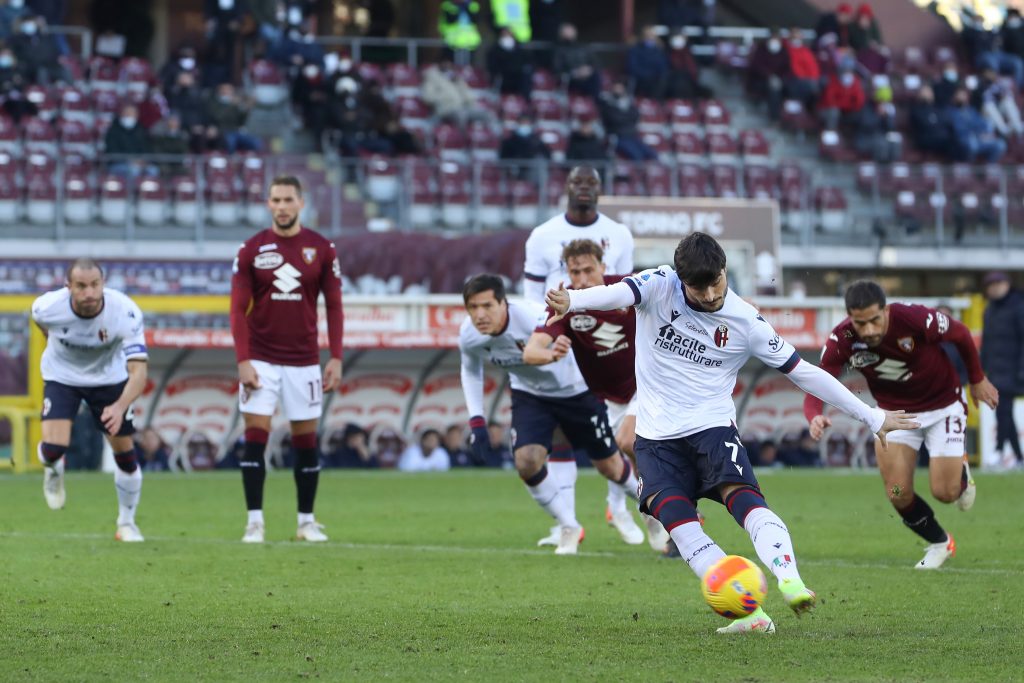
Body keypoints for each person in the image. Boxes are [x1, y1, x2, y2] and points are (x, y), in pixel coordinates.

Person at [545, 233, 919, 633]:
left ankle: (789, 578)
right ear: (680, 279)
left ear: (725, 270)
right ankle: (750, 615)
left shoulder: (746, 320)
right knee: (676, 520)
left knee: (742, 501)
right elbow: (616, 293)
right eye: (698, 287)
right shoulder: (658, 285)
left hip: (711, 428)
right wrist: (574, 301)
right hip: (654, 438)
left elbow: (804, 372)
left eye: (715, 283)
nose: (709, 295)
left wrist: (872, 417)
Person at [804, 280, 998, 569]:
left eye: (874, 320)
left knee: (945, 493)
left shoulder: (914, 318)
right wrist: (814, 414)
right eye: (860, 323)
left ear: (886, 311)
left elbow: (960, 334)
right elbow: (819, 380)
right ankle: (940, 542)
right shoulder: (842, 337)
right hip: (893, 417)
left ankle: (961, 472)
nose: (868, 330)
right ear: (850, 318)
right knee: (897, 491)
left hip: (942, 406)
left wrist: (977, 378)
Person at [459, 274, 640, 555]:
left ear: (503, 303)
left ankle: (654, 515)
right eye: (473, 308)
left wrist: (551, 354)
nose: (480, 315)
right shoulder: (469, 335)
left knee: (611, 468)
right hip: (530, 395)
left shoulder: (533, 316)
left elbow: (566, 348)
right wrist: (477, 421)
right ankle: (569, 525)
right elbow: (471, 371)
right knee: (526, 461)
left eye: (487, 306)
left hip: (576, 391)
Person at [524, 238, 669, 551]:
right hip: (608, 399)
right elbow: (532, 349)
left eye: (589, 270)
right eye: (575, 271)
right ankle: (659, 510)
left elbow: (674, 285)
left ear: (604, 268)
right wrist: (550, 353)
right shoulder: (563, 304)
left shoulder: (626, 289)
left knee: (628, 442)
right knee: (608, 466)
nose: (581, 278)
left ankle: (668, 506)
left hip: (648, 381)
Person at [522, 166, 635, 544]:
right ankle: (566, 522)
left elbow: (630, 290)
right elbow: (531, 295)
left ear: (601, 189)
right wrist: (549, 334)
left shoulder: (619, 234)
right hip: (563, 339)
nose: (584, 189)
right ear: (566, 188)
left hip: (610, 345)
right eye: (577, 182)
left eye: (591, 183)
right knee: (560, 431)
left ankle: (619, 506)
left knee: (624, 437)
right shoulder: (542, 236)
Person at [229, 175, 345, 544]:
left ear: (301, 202)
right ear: (268, 204)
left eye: (287, 200)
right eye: (275, 200)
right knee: (255, 438)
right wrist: (243, 360)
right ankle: (254, 522)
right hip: (261, 359)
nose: (281, 206)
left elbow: (336, 306)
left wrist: (337, 356)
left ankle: (306, 521)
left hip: (305, 361)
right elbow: (236, 309)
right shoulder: (251, 249)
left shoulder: (321, 248)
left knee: (306, 442)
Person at [31, 258, 149, 542]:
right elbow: (40, 323)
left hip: (109, 380)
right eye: (81, 286)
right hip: (62, 377)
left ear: (103, 284)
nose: (89, 293)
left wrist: (120, 406)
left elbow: (139, 371)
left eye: (95, 285)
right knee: (53, 448)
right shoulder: (47, 307)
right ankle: (54, 468)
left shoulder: (125, 313)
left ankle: (127, 523)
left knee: (126, 457)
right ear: (68, 287)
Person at [981, 272, 1024, 469]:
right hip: (996, 372)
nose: (995, 288)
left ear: (1008, 284)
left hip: (1014, 370)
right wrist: (981, 371)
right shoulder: (988, 311)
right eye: (991, 284)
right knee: (1004, 413)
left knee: (1003, 411)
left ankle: (999, 451)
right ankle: (1017, 456)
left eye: (998, 283)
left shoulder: (1018, 307)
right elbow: (987, 344)